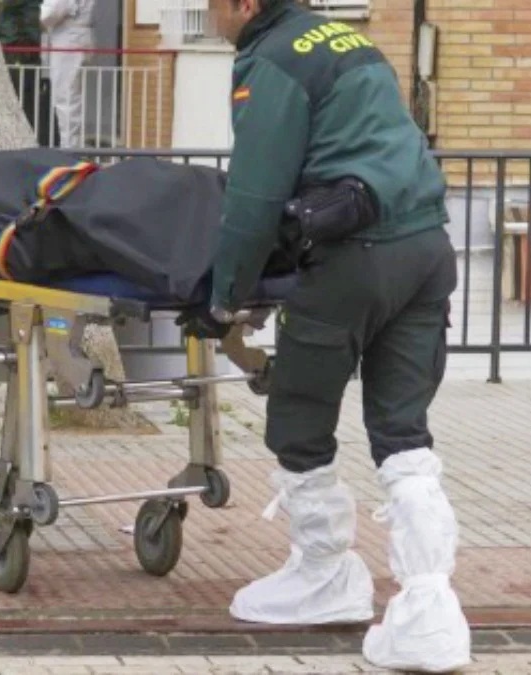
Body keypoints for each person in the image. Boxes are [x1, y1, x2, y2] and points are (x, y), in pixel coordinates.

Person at [185, 0, 470, 672]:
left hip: (350, 258)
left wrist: (224, 300)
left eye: (211, 3)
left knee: (299, 415)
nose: (203, 12)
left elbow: (253, 197)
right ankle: (430, 611)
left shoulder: (274, 60)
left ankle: (323, 576)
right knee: (403, 435)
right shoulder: (346, 39)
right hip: (425, 248)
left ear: (244, 5)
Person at [0, 0, 56, 147]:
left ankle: (24, 146)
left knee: (21, 101)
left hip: (18, 45)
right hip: (16, 45)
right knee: (21, 100)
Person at [39, 0, 93, 149]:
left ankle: (69, 148)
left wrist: (30, 18)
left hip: (67, 40)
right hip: (78, 36)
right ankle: (73, 145)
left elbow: (50, 13)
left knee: (66, 98)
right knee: (73, 98)